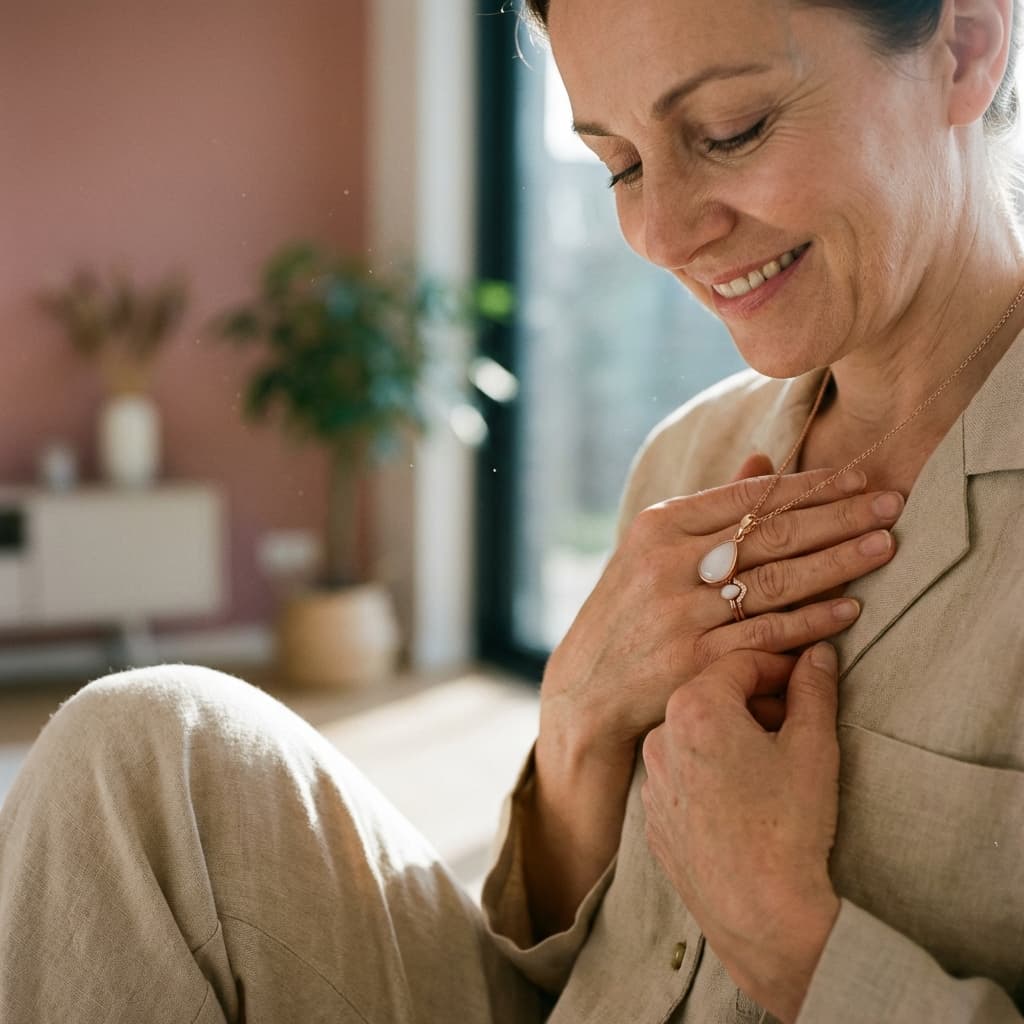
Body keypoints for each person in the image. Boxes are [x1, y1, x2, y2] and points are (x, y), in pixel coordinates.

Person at [2, 0, 1022, 1020]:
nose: (659, 233)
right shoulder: (691, 461)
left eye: (730, 130)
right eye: (619, 165)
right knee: (137, 746)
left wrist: (785, 934)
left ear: (966, 48)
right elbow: (560, 965)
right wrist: (576, 725)